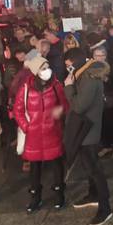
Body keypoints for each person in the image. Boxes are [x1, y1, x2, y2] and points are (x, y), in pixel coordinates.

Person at [63, 48, 113, 225]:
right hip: (84, 128)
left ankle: (105, 207)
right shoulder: (85, 74)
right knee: (87, 166)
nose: (68, 70)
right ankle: (93, 194)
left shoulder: (89, 78)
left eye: (69, 66)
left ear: (76, 63)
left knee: (94, 168)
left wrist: (68, 87)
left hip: (88, 130)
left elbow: (79, 106)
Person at [13, 56, 69, 213]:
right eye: (43, 68)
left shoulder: (56, 85)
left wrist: (61, 112)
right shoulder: (25, 88)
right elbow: (17, 110)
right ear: (36, 71)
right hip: (34, 135)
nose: (47, 70)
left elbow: (65, 104)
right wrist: (26, 127)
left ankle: (59, 194)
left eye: (48, 66)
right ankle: (35, 198)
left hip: (53, 132)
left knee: (57, 165)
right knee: (35, 168)